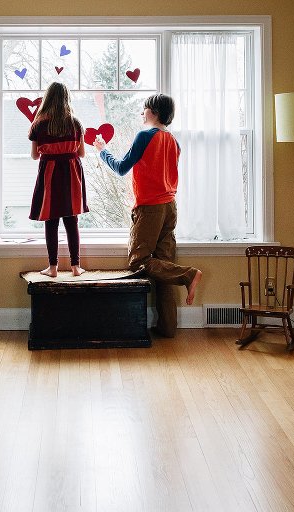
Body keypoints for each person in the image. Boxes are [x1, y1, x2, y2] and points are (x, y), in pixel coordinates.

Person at [93, 93, 201, 338]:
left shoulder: (145, 135)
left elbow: (121, 168)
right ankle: (167, 328)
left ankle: (189, 275)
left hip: (150, 208)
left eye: (144, 108)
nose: (141, 112)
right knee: (164, 265)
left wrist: (102, 151)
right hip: (170, 207)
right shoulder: (173, 141)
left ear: (153, 111)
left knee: (138, 261)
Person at [29, 82, 88, 278]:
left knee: (51, 221)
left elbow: (35, 156)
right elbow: (81, 153)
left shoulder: (38, 125)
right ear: (66, 99)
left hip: (50, 174)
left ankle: (53, 267)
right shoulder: (75, 123)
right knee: (72, 221)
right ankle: (75, 267)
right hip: (71, 174)